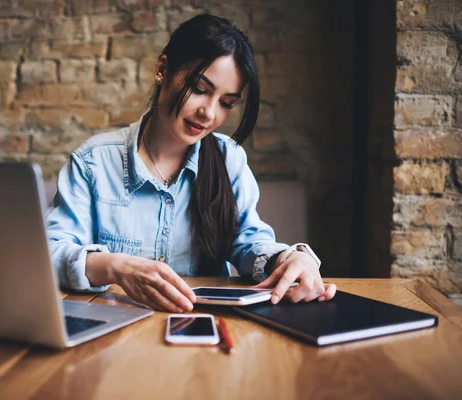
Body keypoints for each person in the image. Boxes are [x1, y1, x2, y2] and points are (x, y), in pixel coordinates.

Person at [46, 14, 337, 313]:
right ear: (162, 70)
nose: (209, 114)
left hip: (205, 327)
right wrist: (116, 266)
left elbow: (250, 243)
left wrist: (289, 259)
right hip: (115, 331)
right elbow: (51, 253)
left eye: (226, 103)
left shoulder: (229, 160)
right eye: (200, 88)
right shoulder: (94, 161)